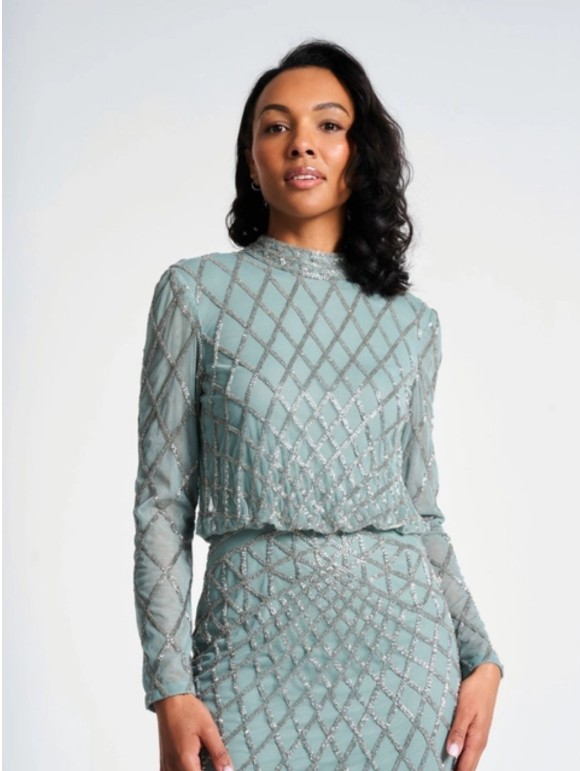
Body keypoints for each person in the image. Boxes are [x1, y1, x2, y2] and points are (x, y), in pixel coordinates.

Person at [133, 39, 503, 771]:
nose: (301, 142)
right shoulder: (194, 295)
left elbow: (420, 512)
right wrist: (169, 685)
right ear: (251, 160)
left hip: (405, 674)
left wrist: (482, 657)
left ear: (358, 155)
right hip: (246, 659)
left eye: (328, 125)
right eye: (276, 126)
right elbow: (161, 504)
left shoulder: (412, 324)